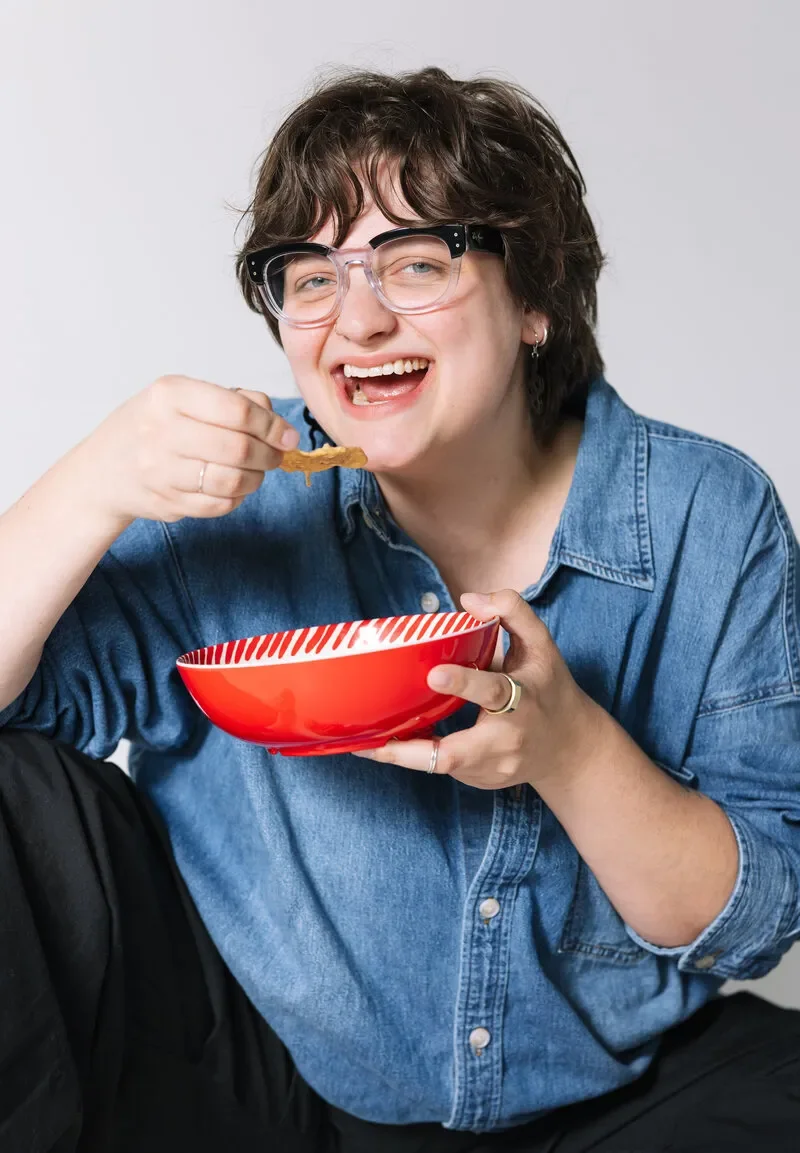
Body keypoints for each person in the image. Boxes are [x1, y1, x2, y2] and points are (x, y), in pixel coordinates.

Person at [1, 65, 799, 1153]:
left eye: (415, 262)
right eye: (310, 278)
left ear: (534, 299)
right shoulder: (227, 504)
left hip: (619, 1091)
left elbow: (751, 923)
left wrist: (567, 749)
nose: (358, 321)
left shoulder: (710, 512)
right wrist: (89, 482)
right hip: (267, 1082)